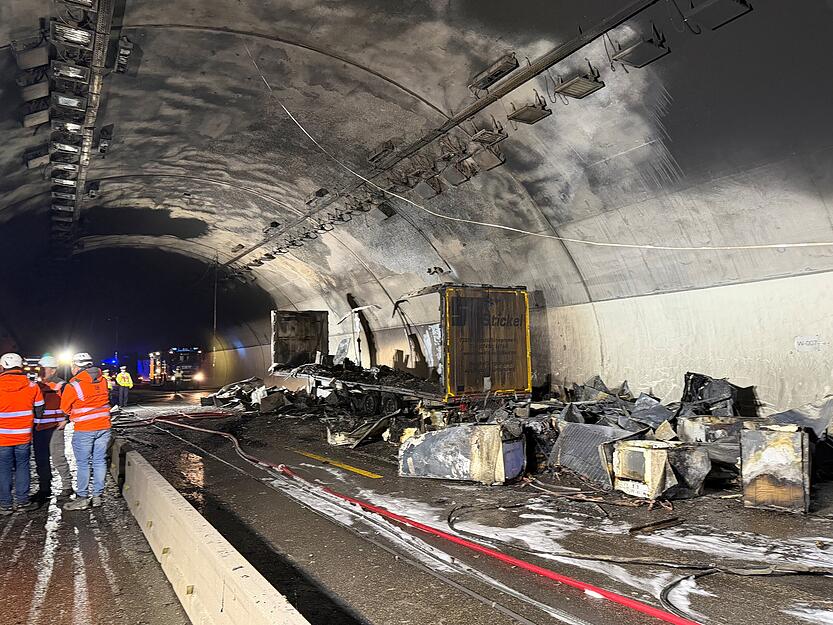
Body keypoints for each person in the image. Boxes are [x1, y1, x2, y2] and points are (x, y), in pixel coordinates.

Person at [61, 352, 111, 511]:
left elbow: (65, 408)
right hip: (104, 427)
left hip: (84, 429)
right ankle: (97, 497)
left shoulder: (73, 384)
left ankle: (82, 497)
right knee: (99, 461)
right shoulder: (103, 380)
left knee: (83, 463)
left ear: (76, 366)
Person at [0, 352, 45, 514]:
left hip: (2, 438)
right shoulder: (32, 386)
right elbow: (40, 410)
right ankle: (22, 502)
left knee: (3, 468)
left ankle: (4, 504)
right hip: (23, 435)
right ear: (20, 366)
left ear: (3, 366)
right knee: (22, 466)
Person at [32, 354, 73, 502]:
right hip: (39, 427)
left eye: (44, 369)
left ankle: (67, 486)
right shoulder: (36, 384)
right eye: (40, 368)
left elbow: (71, 403)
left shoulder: (62, 385)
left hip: (55, 427)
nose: (41, 371)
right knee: (41, 459)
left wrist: (66, 419)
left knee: (58, 458)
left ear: (53, 370)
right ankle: (44, 488)